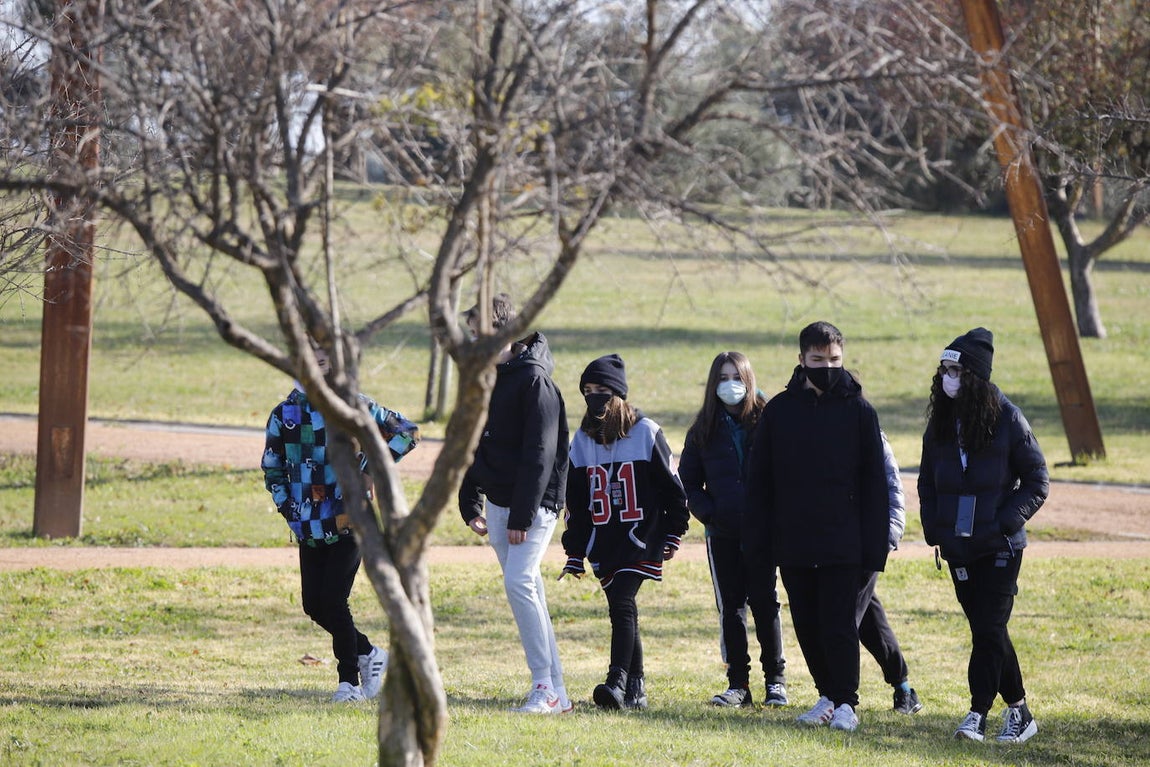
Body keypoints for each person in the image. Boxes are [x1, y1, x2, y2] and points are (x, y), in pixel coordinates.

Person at [744, 321, 889, 733]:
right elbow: (761, 483)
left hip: (846, 543)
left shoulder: (860, 411)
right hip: (793, 541)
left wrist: (874, 551)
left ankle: (847, 702)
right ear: (802, 360)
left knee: (838, 622)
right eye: (818, 360)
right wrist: (759, 543)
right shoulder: (780, 412)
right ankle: (826, 694)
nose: (828, 367)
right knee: (806, 622)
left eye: (835, 360)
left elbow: (876, 486)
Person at [261, 341, 420, 702]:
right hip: (308, 527)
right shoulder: (284, 413)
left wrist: (367, 471)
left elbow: (407, 433)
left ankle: (348, 684)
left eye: (323, 352)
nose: (317, 359)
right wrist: (290, 510)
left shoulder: (354, 405)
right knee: (313, 605)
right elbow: (272, 469)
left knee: (334, 599)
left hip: (351, 520)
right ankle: (370, 654)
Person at [918, 327, 1048, 744]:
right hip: (957, 546)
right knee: (988, 630)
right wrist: (936, 528)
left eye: (955, 370)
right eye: (944, 370)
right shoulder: (940, 423)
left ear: (974, 375)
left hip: (1000, 547)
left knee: (989, 628)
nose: (947, 378)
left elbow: (1037, 480)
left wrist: (1003, 522)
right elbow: (925, 483)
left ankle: (976, 714)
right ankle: (1020, 712)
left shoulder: (1007, 417)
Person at [458, 294, 573, 715]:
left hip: (535, 503)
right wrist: (470, 502)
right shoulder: (483, 378)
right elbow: (473, 441)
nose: (473, 341)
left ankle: (543, 685)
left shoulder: (534, 381)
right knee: (530, 590)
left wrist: (524, 515)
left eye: (480, 332)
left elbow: (540, 454)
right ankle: (558, 691)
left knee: (519, 582)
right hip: (500, 503)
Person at [561, 353, 690, 711]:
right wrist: (574, 551)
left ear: (618, 392)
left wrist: (673, 533)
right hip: (603, 543)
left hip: (641, 539)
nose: (594, 396)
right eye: (587, 390)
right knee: (623, 609)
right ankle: (636, 687)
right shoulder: (582, 442)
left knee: (622, 604)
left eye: (601, 389)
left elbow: (672, 489)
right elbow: (576, 503)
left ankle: (615, 681)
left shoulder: (646, 432)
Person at [678, 351, 788, 709]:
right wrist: (709, 513)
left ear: (748, 379)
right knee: (731, 608)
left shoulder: (768, 418)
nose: (730, 385)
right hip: (722, 534)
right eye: (723, 378)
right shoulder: (703, 427)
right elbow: (689, 480)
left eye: (736, 378)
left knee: (765, 603)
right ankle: (738, 683)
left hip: (762, 532)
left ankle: (776, 681)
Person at [857, 432, 922, 715]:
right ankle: (904, 688)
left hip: (867, 543)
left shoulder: (870, 432)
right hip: (829, 540)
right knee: (869, 617)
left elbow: (893, 488)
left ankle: (839, 698)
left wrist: (889, 533)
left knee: (845, 616)